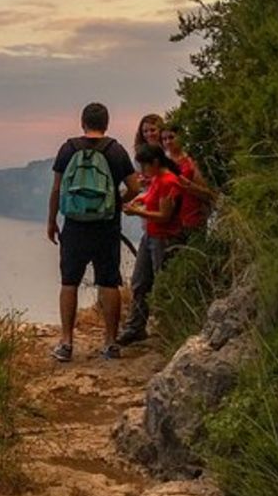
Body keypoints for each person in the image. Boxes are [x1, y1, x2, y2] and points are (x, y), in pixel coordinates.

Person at [47, 102, 141, 362]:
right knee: (109, 282)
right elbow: (134, 187)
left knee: (69, 282)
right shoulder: (116, 150)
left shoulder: (68, 149)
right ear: (106, 123)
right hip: (106, 226)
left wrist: (51, 220)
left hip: (74, 225)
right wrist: (117, 203)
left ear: (82, 122)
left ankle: (66, 343)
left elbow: (57, 189)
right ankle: (110, 343)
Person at [118, 144, 184, 345]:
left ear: (155, 163)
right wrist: (139, 202)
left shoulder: (169, 182)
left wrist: (137, 212)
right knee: (139, 282)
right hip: (150, 236)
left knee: (163, 284)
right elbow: (150, 197)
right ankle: (135, 327)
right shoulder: (157, 179)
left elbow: (164, 215)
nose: (143, 170)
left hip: (163, 238)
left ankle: (170, 328)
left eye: (144, 166)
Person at [161, 124, 214, 233]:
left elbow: (206, 192)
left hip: (192, 217)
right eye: (164, 139)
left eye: (171, 137)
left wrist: (186, 184)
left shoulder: (190, 161)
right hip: (170, 221)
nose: (168, 142)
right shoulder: (162, 163)